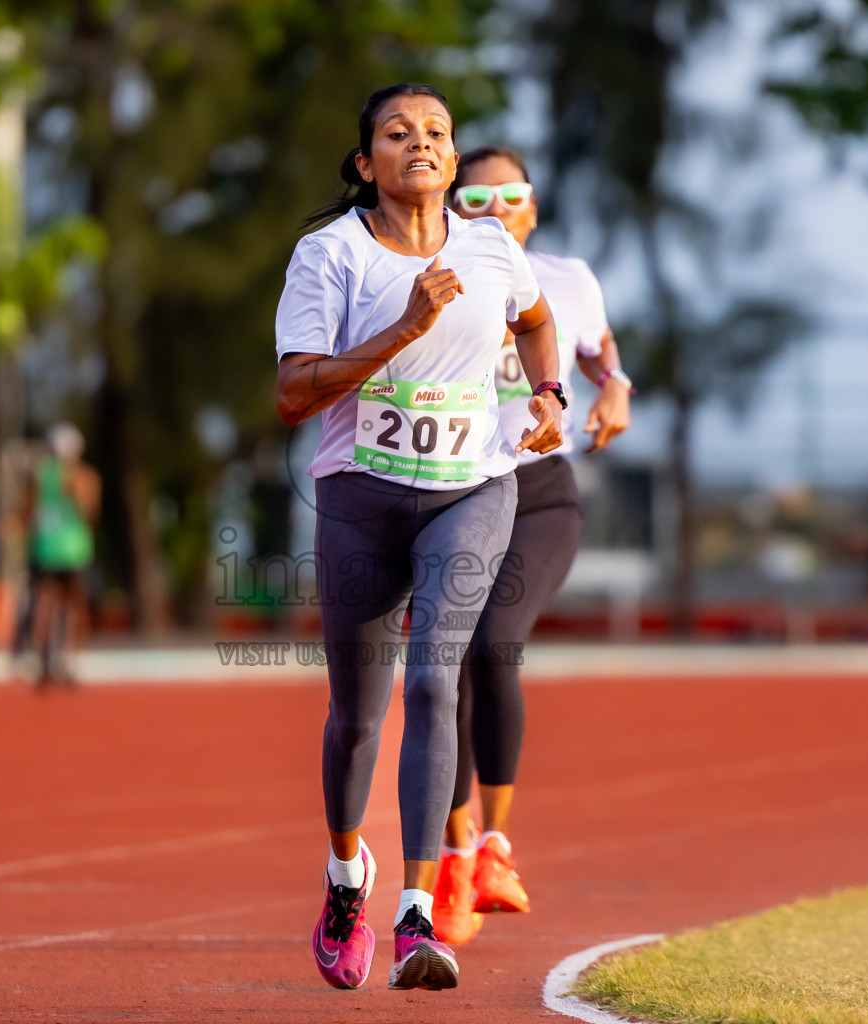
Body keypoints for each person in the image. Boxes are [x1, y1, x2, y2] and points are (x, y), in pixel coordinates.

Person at [276, 84, 565, 993]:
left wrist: (549, 397)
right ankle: (344, 876)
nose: (423, 145)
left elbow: (537, 319)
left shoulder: (490, 247)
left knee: (437, 679)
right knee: (358, 717)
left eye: (437, 132)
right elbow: (293, 394)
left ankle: (416, 914)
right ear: (366, 163)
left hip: (470, 490)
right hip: (360, 496)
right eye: (398, 134)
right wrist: (406, 326)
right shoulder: (330, 255)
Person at [432, 147, 633, 945]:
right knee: (437, 671)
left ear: (533, 208)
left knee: (494, 646)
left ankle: (496, 844)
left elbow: (598, 348)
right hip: (452, 489)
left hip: (542, 496)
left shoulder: (571, 278)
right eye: (475, 198)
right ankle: (454, 856)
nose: (496, 209)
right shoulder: (434, 276)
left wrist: (617, 383)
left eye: (511, 196)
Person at [26, 423, 99, 686]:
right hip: (63, 550)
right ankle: (56, 660)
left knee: (57, 604)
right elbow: (89, 513)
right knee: (61, 606)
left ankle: (55, 660)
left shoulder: (44, 476)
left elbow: (29, 512)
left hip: (57, 549)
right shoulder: (80, 476)